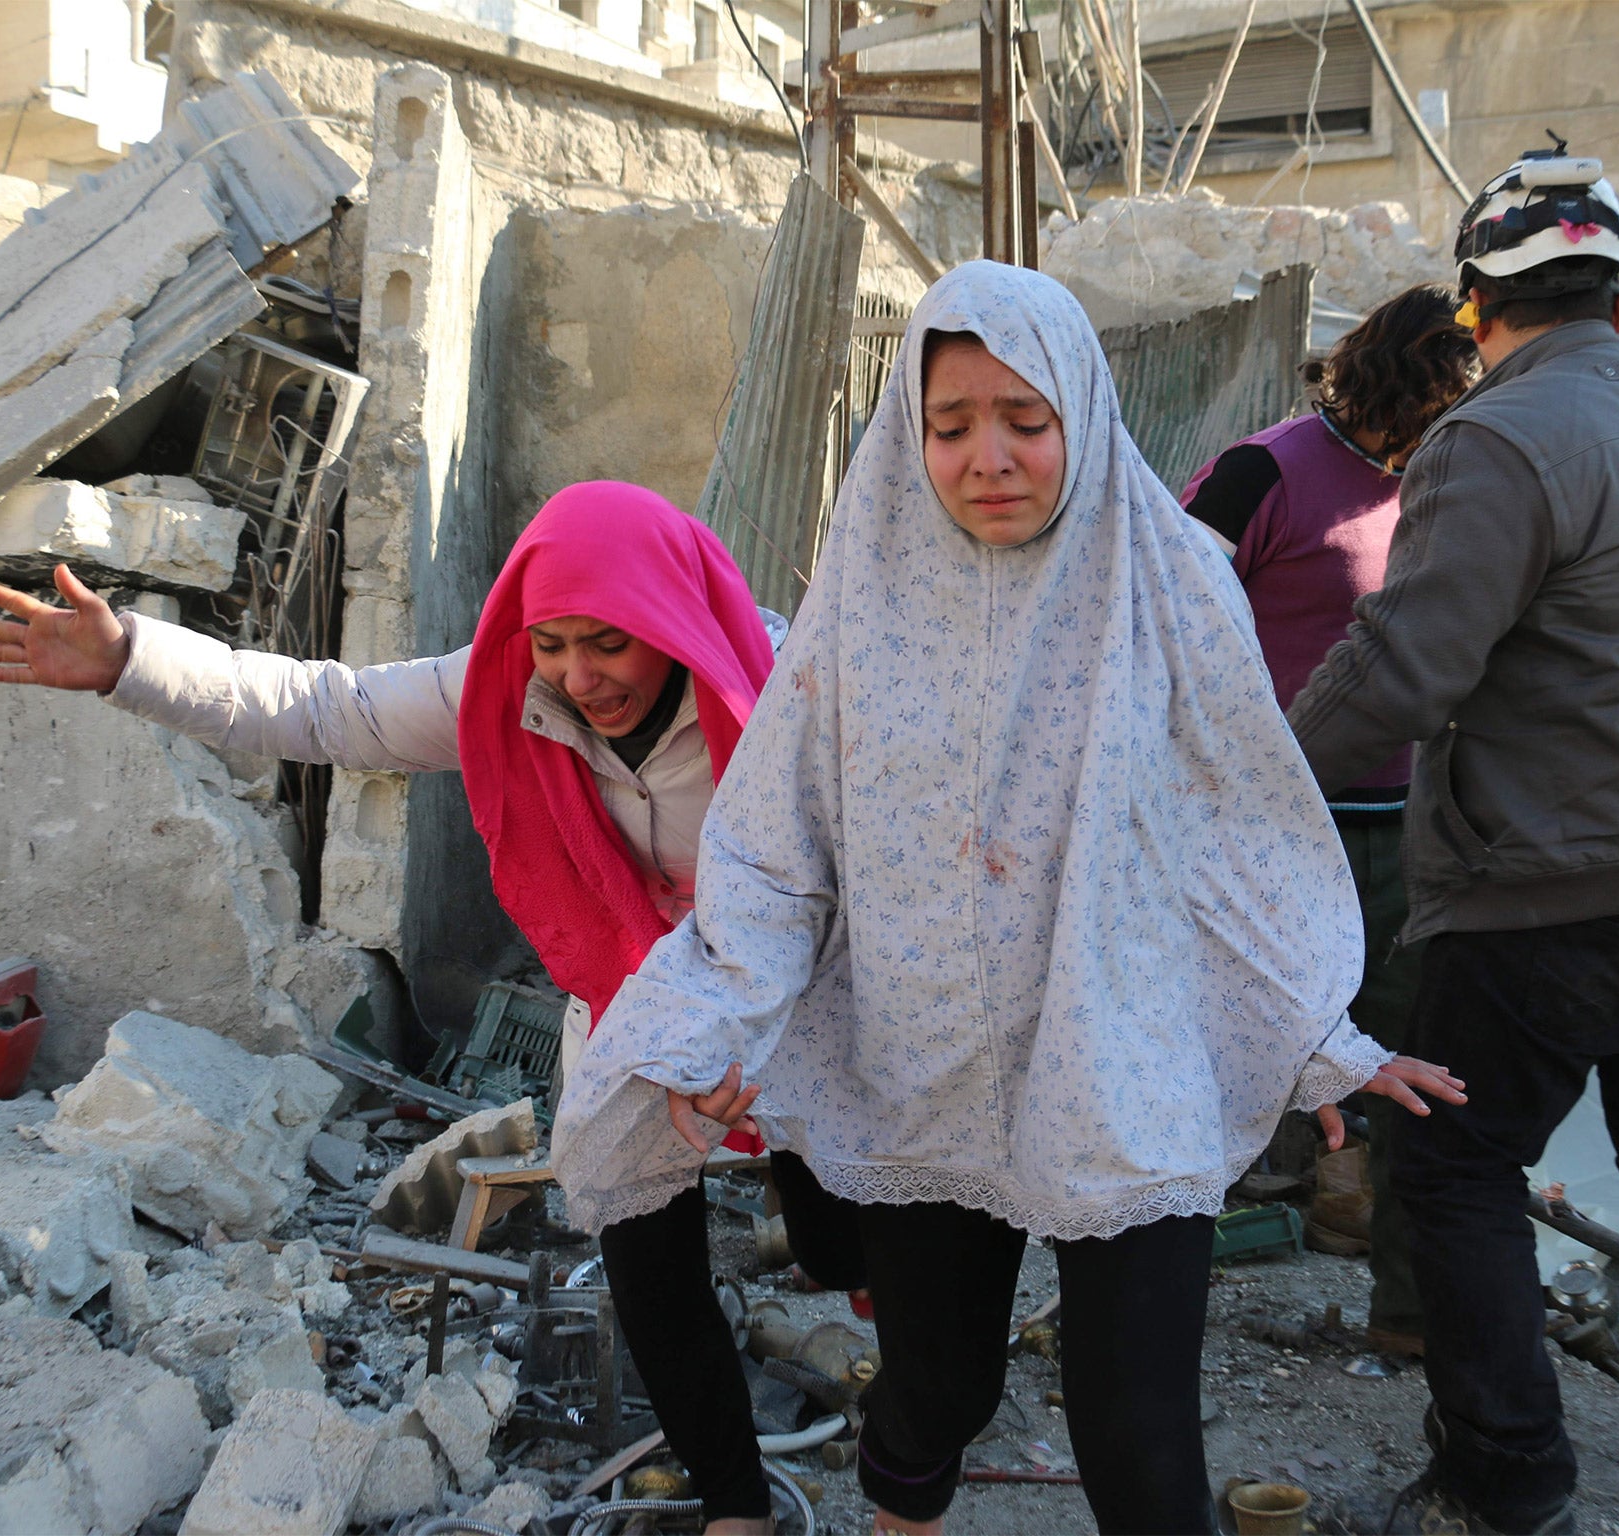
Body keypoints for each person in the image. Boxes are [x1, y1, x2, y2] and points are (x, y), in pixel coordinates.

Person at [551, 261, 1468, 1536]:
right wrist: (712, 1019)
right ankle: (902, 1513)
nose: (988, 457)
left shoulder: (1170, 588)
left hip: (1117, 1055)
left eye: (1023, 421)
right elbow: (774, 853)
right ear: (908, 435)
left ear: (1080, 416)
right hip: (924, 1055)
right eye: (949, 425)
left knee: (1135, 1435)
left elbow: (1238, 829)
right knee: (937, 1388)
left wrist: (1315, 1034)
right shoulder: (857, 612)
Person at [0, 482, 857, 1536]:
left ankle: (862, 1269)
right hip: (627, 1001)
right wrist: (132, 662)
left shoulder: (790, 689)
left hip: (789, 1001)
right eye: (551, 641)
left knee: (842, 1244)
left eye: (609, 641)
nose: (577, 675)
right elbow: (330, 707)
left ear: (670, 619)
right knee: (643, 1246)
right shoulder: (505, 687)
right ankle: (735, 1504)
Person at [1285, 145, 1619, 1535]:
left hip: (1563, 895)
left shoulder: (1494, 437)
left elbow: (1402, 672)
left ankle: (1504, 1485)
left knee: (1457, 1167)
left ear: (1476, 311)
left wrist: (1251, 778)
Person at [1180, 282, 1479, 1357]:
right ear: (1395, 387)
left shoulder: (1449, 484)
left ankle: (1407, 1315)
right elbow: (1163, 619)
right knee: (1214, 1059)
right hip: (1260, 827)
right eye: (1433, 406)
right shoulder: (1263, 471)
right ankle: (1153, 1298)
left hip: (1403, 828)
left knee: (1414, 1075)